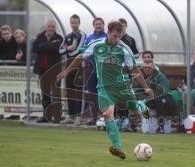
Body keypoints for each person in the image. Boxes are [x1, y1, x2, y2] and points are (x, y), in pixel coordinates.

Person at [57, 21, 153, 159]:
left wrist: (145, 87)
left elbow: (135, 70)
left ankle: (140, 105)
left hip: (122, 88)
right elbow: (80, 57)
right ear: (108, 33)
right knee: (108, 114)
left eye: (119, 36)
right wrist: (66, 71)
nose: (117, 39)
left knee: (136, 111)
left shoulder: (124, 48)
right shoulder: (97, 44)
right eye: (114, 36)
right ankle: (118, 147)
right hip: (104, 89)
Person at [33, 19, 63, 123]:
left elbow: (56, 48)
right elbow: (35, 48)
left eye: (52, 27)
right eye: (49, 26)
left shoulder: (59, 38)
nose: (50, 28)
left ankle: (57, 116)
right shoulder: (39, 36)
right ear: (46, 27)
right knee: (45, 94)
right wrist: (49, 46)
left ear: (55, 28)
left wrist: (43, 46)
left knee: (56, 94)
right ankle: (46, 116)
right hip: (42, 70)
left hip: (55, 71)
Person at [59, 14, 86, 125]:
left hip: (79, 67)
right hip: (68, 68)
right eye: (72, 23)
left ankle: (78, 117)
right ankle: (70, 116)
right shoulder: (67, 36)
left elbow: (78, 51)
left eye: (76, 22)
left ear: (79, 23)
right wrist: (68, 49)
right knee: (69, 91)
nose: (74, 25)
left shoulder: (82, 35)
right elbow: (60, 50)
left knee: (78, 92)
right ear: (70, 23)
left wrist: (68, 50)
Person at [84, 17, 108, 125]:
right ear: (94, 25)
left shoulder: (107, 36)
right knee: (92, 94)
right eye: (96, 24)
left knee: (103, 94)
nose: (98, 25)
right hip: (90, 69)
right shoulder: (89, 37)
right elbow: (84, 51)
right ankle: (94, 118)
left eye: (100, 24)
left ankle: (105, 117)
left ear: (103, 25)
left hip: (103, 69)